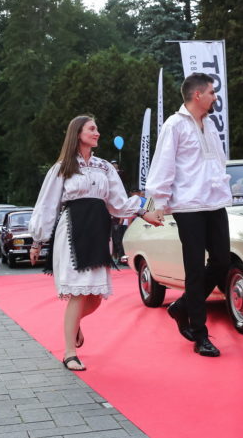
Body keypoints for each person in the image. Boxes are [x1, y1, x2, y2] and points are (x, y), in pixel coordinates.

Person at [29, 115, 162, 371]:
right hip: (73, 230)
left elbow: (119, 202)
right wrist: (37, 241)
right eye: (92, 129)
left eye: (97, 128)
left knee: (95, 297)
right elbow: (47, 204)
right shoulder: (62, 167)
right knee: (79, 292)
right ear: (78, 133)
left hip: (99, 229)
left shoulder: (104, 167)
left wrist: (144, 212)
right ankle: (70, 352)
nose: (97, 132)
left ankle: (73, 323)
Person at [145, 73, 233, 358]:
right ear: (198, 95)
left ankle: (182, 306)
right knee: (194, 268)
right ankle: (199, 334)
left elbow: (218, 162)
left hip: (214, 203)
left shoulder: (210, 125)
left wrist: (224, 190)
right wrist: (157, 203)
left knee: (222, 260)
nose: (215, 97)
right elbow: (163, 165)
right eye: (212, 92)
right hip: (188, 206)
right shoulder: (175, 124)